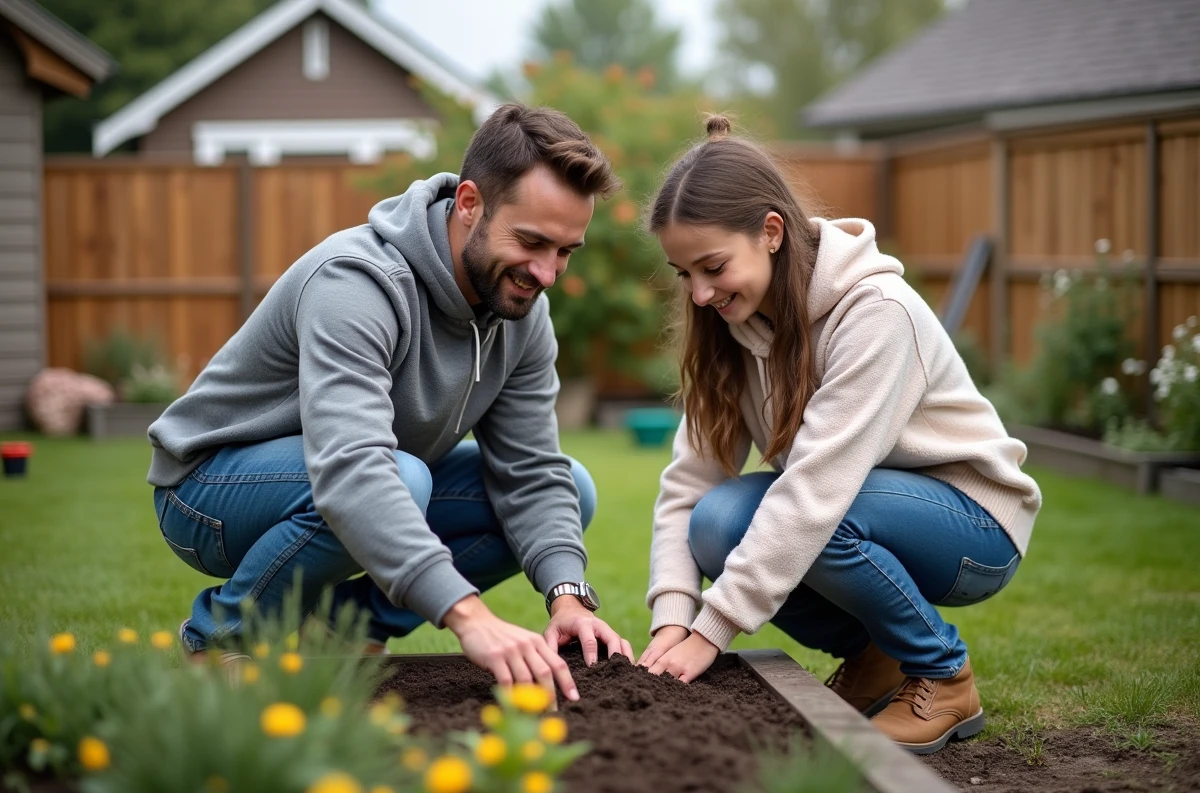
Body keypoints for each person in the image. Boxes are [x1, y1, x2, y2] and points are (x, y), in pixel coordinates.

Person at [147, 104, 633, 701]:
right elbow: (352, 468)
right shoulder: (356, 282)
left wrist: (568, 595)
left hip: (361, 480)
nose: (548, 273)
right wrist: (468, 616)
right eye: (532, 241)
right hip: (206, 493)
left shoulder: (522, 313)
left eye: (565, 251)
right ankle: (218, 640)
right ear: (471, 204)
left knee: (571, 486)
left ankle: (347, 629)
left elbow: (531, 471)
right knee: (398, 478)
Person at [635, 116, 1042, 754]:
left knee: (811, 515)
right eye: (684, 273)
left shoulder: (876, 313)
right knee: (717, 519)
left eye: (712, 266)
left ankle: (944, 674)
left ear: (771, 232)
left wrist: (712, 630)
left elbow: (817, 493)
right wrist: (672, 616)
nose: (700, 292)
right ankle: (875, 657)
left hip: (974, 528)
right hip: (857, 509)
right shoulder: (732, 330)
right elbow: (690, 483)